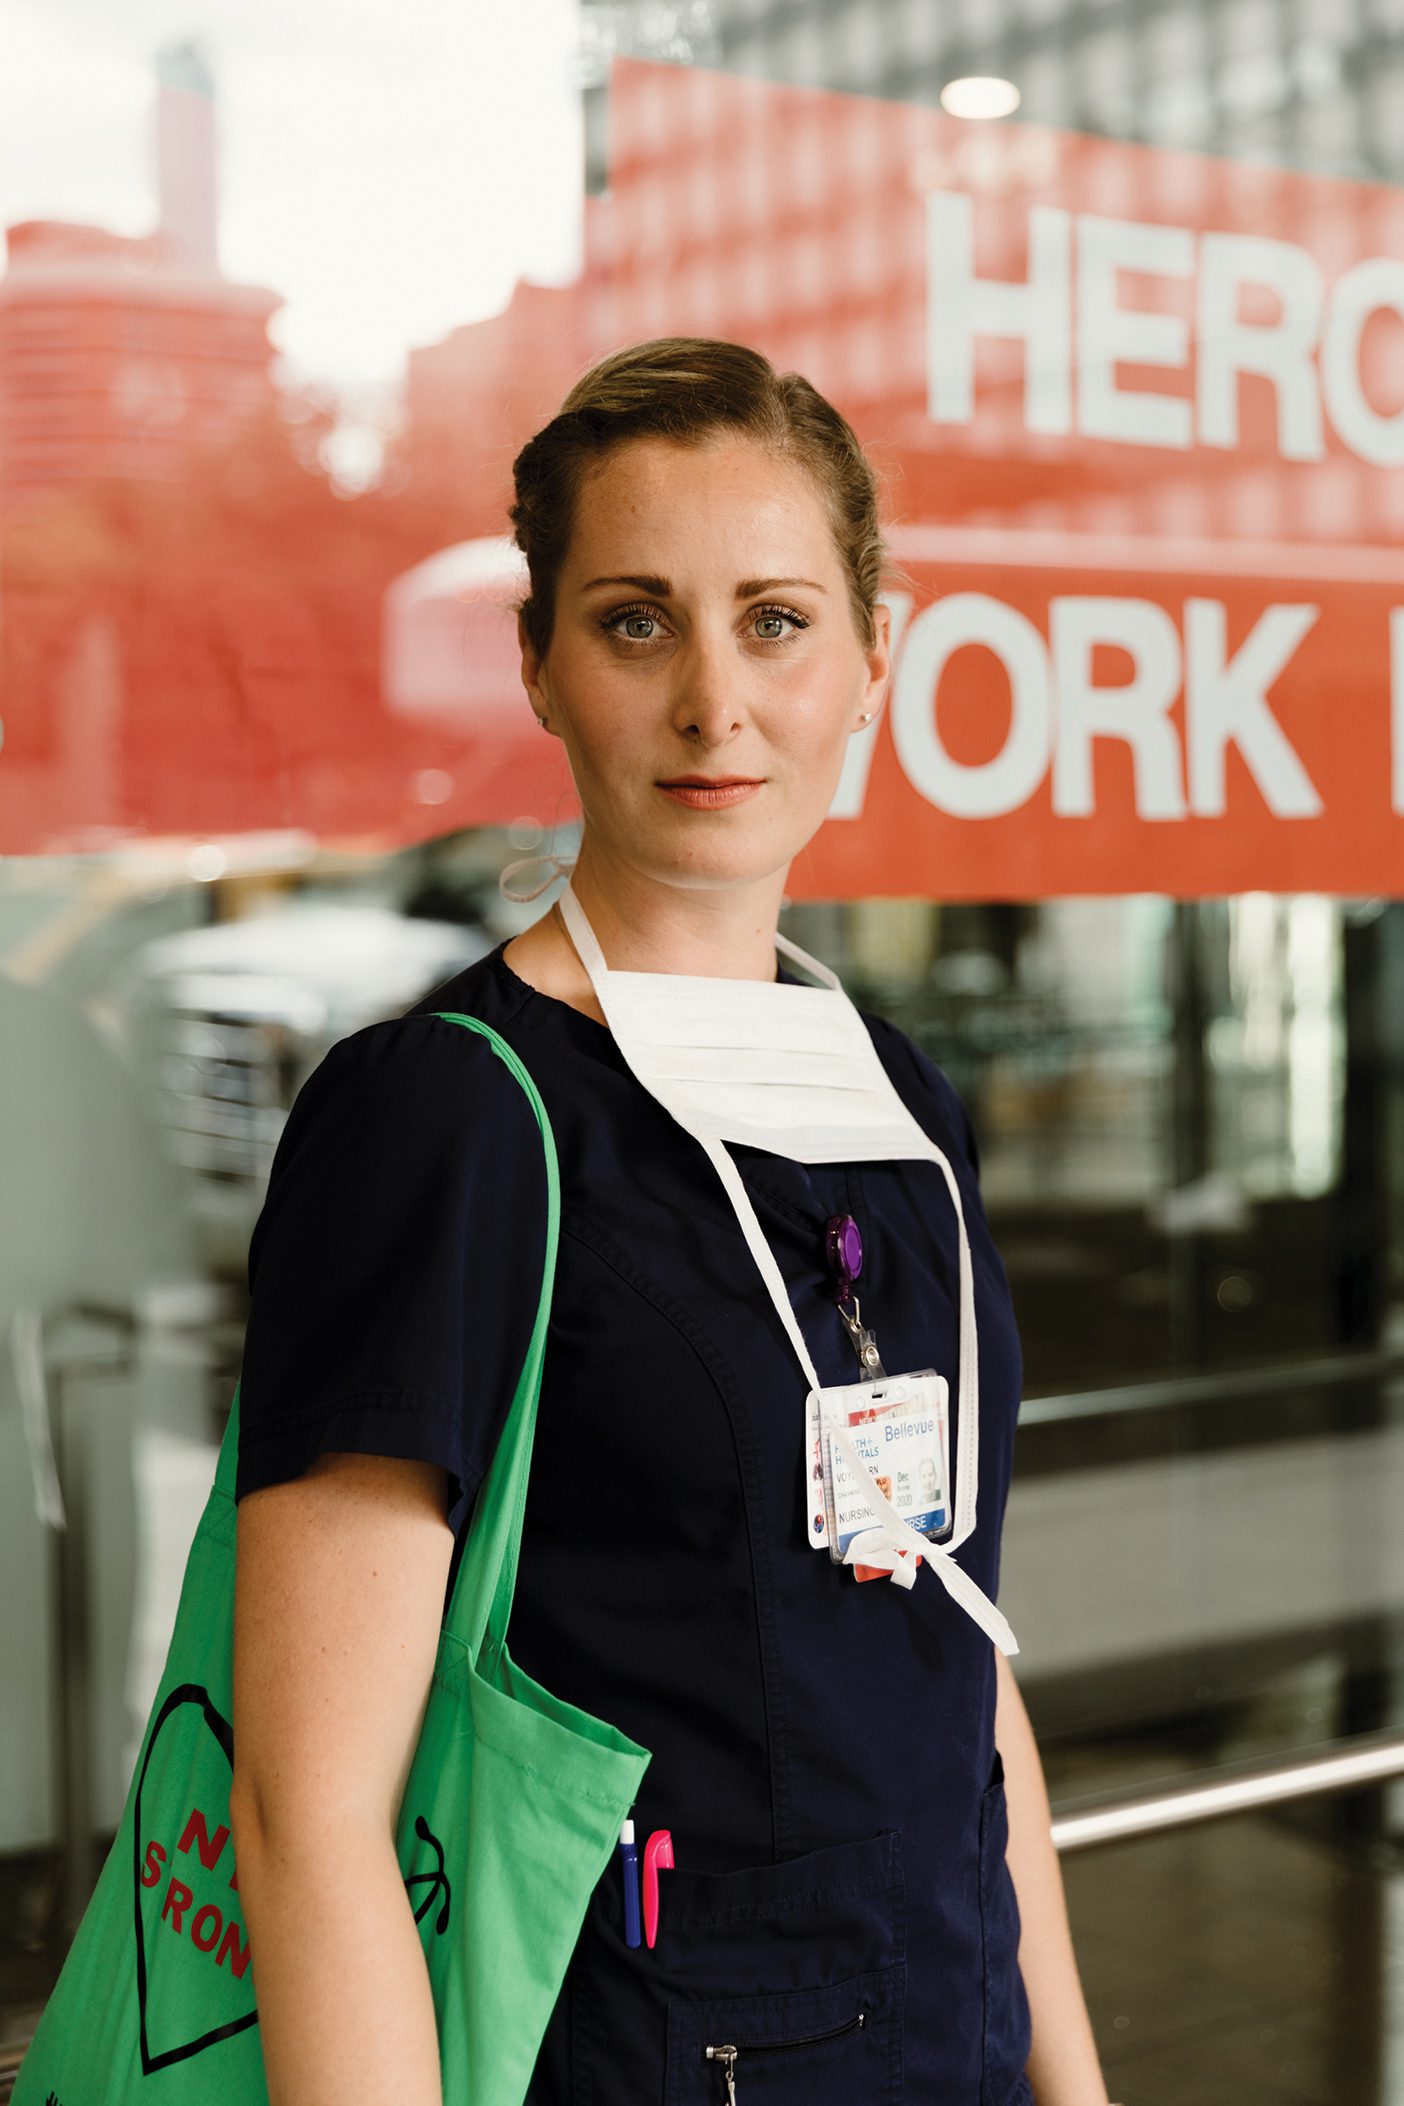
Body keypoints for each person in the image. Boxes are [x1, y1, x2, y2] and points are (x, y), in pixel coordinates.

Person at [229, 337, 1114, 2105]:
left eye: (776, 619)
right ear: (542, 666)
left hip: (950, 2029)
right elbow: (306, 1814)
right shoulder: (455, 1115)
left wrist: (1072, 2084)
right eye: (637, 621)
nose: (717, 699)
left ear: (874, 655)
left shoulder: (887, 1096)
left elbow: (956, 1668)